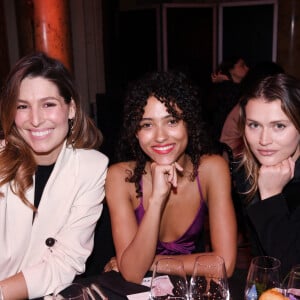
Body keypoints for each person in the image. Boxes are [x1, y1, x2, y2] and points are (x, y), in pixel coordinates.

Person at [105, 71, 237, 284]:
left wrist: (154, 262)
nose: (160, 136)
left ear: (189, 124)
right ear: (135, 132)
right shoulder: (121, 178)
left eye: (172, 121)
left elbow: (225, 264)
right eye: (147, 125)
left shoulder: (212, 169)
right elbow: (132, 274)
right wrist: (157, 199)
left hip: (191, 289)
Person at [0, 52, 109, 299]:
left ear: (71, 109)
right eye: (22, 106)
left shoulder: (91, 168)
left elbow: (65, 262)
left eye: (48, 104)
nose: (36, 120)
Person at [236, 73, 300, 277]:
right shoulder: (246, 172)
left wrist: (271, 196)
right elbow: (260, 260)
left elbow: (291, 272)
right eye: (254, 125)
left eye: (279, 126)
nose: (263, 140)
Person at [206, 56, 249, 144]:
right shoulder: (222, 89)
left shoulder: (244, 88)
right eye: (242, 66)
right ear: (230, 69)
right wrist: (227, 82)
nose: (247, 68)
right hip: (223, 139)